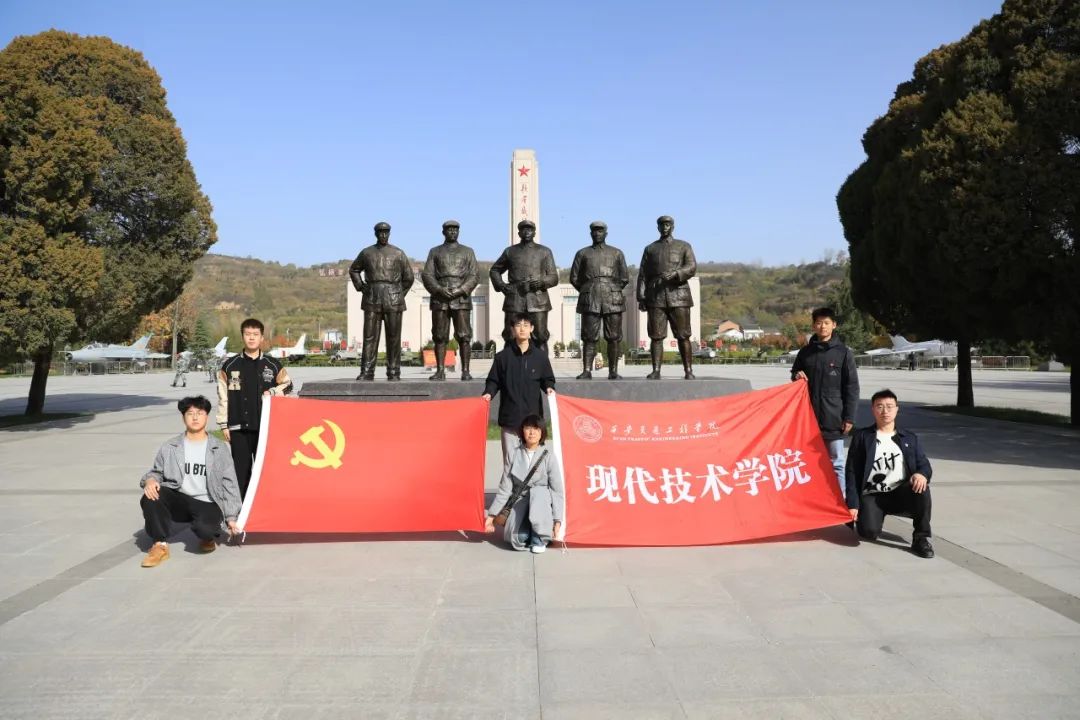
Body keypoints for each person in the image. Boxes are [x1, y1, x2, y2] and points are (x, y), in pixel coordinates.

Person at [139, 396, 242, 568]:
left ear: (207, 417)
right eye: (190, 413)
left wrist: (232, 517)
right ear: (183, 418)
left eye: (199, 413)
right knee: (151, 495)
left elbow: (229, 483)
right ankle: (159, 544)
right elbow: (156, 472)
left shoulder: (219, 448)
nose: (195, 417)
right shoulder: (171, 446)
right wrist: (150, 480)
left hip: (207, 502)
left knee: (206, 530)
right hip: (179, 499)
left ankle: (207, 536)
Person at [844, 389, 934, 558]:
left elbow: (924, 464)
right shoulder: (863, 437)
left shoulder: (909, 438)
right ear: (873, 409)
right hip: (872, 494)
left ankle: (921, 538)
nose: (885, 411)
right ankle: (867, 515)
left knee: (922, 488)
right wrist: (852, 504)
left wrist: (921, 474)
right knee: (868, 532)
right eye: (880, 406)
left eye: (889, 406)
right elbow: (852, 472)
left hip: (900, 492)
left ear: (897, 409)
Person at [216, 318, 292, 499]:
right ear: (242, 336)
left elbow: (288, 385)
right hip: (238, 429)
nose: (251, 338)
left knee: (265, 471)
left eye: (255, 334)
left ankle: (265, 506)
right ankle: (241, 509)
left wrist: (273, 391)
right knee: (240, 472)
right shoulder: (229, 365)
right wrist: (224, 424)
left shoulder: (272, 365)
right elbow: (223, 397)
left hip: (265, 429)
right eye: (248, 334)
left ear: (261, 337)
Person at [791, 307, 859, 497]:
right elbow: (795, 374)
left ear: (834, 325)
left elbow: (852, 387)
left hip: (833, 417)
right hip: (808, 417)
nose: (823, 326)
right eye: (819, 323)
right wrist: (796, 374)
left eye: (827, 323)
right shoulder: (805, 353)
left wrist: (849, 417)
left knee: (836, 462)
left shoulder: (844, 353)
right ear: (813, 325)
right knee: (808, 461)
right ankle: (814, 500)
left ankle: (840, 501)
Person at [482, 313, 556, 466]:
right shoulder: (502, 357)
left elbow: (548, 379)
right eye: (518, 325)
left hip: (533, 422)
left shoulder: (540, 357)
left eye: (526, 325)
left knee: (533, 465)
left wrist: (549, 388)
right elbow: (493, 381)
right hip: (510, 420)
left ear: (532, 328)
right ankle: (511, 484)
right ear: (512, 329)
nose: (522, 329)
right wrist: (489, 393)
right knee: (510, 464)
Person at [484, 414, 564, 553]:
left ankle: (538, 538)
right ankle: (530, 531)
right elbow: (505, 487)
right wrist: (491, 517)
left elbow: (557, 490)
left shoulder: (549, 457)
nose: (532, 432)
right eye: (528, 428)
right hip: (520, 499)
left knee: (539, 493)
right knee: (518, 538)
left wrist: (557, 521)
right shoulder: (513, 454)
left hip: (541, 501)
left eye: (536, 429)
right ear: (522, 431)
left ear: (542, 432)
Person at [349, 221, 415, 381]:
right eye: (380, 232)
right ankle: (367, 371)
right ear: (376, 234)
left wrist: (399, 294)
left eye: (386, 232)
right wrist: (361, 286)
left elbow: (409, 277)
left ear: (389, 234)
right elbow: (354, 270)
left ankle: (394, 371)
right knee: (369, 336)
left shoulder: (398, 253)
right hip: (372, 296)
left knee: (394, 337)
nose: (383, 235)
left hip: (393, 298)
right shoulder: (367, 253)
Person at [636, 215, 698, 379]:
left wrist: (677, 273)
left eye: (668, 225)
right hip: (656, 296)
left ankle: (688, 370)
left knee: (683, 335)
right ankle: (656, 370)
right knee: (656, 336)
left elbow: (692, 267)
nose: (665, 228)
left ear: (673, 227)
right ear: (657, 227)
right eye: (662, 225)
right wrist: (641, 297)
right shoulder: (650, 249)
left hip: (679, 295)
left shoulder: (684, 246)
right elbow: (643, 275)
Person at [420, 220, 481, 380]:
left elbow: (474, 275)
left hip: (461, 298)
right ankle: (440, 370)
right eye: (449, 230)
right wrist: (439, 289)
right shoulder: (435, 251)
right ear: (443, 232)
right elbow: (427, 275)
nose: (452, 232)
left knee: (464, 336)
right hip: (440, 298)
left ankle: (465, 371)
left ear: (459, 232)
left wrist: (460, 290)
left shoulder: (468, 251)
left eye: (455, 229)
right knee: (439, 336)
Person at [569, 221, 629, 379]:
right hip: (590, 298)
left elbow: (624, 278)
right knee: (589, 336)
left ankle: (613, 371)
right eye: (595, 231)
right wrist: (588, 289)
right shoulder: (582, 253)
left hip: (613, 299)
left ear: (606, 234)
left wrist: (611, 289)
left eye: (600, 231)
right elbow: (574, 278)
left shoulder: (617, 253)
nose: (597, 234)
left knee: (614, 337)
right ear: (590, 234)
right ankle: (587, 370)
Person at [489, 220, 558, 351]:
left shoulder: (545, 251)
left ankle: (541, 363)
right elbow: (495, 270)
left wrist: (542, 282)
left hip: (538, 299)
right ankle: (510, 362)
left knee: (540, 335)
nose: (527, 232)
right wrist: (502, 286)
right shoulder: (510, 251)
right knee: (510, 334)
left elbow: (554, 277)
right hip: (515, 297)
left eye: (530, 229)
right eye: (523, 229)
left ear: (534, 232)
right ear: (519, 233)